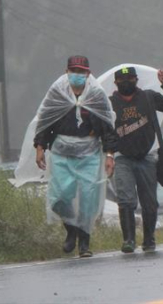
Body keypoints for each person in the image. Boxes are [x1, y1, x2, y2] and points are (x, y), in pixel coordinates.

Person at [33, 55, 117, 258]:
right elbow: (45, 119)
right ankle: (71, 228)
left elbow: (107, 127)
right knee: (60, 197)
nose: (78, 75)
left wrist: (109, 154)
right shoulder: (57, 94)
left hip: (89, 155)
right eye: (74, 71)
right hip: (62, 154)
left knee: (89, 198)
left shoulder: (96, 95)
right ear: (67, 72)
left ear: (88, 74)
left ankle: (84, 242)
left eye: (81, 72)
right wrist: (40, 147)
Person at [109, 66, 163, 254]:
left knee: (149, 202)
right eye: (122, 80)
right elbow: (104, 130)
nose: (127, 83)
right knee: (125, 199)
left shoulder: (148, 97)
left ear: (137, 80)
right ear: (115, 83)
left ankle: (149, 239)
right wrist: (108, 153)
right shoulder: (110, 103)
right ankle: (129, 240)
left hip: (147, 156)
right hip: (122, 157)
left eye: (131, 79)